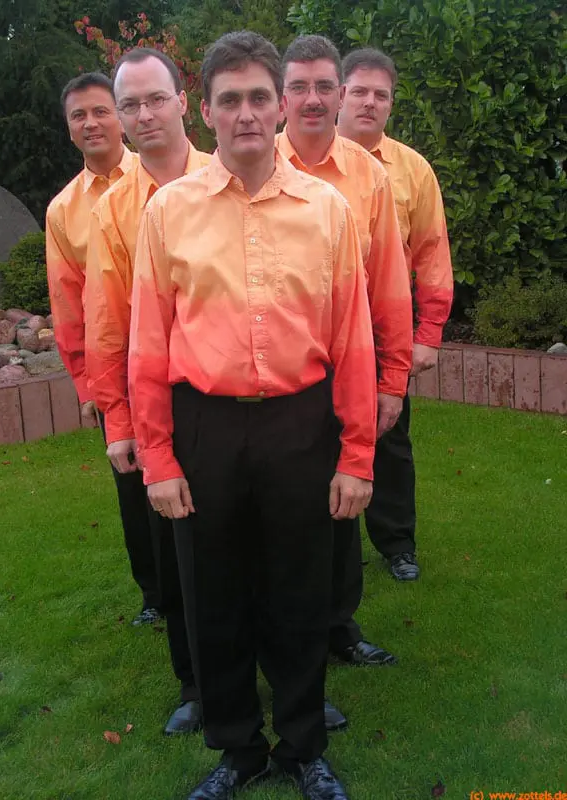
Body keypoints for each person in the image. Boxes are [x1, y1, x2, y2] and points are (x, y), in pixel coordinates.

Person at [128, 30, 377, 800]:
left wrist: (357, 455)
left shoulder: (328, 210)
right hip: (204, 425)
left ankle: (303, 745)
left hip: (301, 424)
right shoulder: (168, 212)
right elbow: (147, 343)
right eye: (229, 99)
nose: (245, 113)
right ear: (205, 111)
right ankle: (238, 747)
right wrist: (158, 458)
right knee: (214, 594)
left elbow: (353, 340)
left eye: (258, 97)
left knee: (301, 590)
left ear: (281, 107)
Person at [278, 35, 412, 695]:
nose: (312, 99)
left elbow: (390, 288)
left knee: (344, 501)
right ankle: (282, 636)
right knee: (280, 510)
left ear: (338, 93)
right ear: (281, 97)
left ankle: (339, 626)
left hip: (349, 366)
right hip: (277, 375)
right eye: (298, 86)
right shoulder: (248, 165)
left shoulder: (369, 176)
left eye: (323, 86)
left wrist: (392, 382)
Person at [84, 48, 210, 736]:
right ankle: (195, 683)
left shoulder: (230, 179)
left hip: (231, 395)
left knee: (256, 545)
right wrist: (119, 421)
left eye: (155, 98)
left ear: (183, 101)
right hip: (157, 400)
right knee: (177, 552)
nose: (143, 114)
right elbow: (107, 324)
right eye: (129, 104)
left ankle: (280, 674)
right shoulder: (113, 211)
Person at [45, 73, 162, 628]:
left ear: (120, 117)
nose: (90, 123)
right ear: (69, 128)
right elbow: (69, 306)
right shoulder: (63, 211)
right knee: (133, 485)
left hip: (177, 358)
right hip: (116, 366)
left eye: (100, 111)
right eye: (78, 116)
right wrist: (88, 386)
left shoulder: (160, 177)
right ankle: (155, 593)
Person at [338, 47, 454, 581]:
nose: (369, 102)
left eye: (380, 95)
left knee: (389, 436)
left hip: (384, 330)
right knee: (313, 440)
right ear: (341, 94)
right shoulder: (294, 160)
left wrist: (427, 333)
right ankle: (331, 543)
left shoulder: (412, 169)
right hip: (315, 332)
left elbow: (431, 252)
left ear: (391, 103)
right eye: (360, 91)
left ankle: (397, 543)